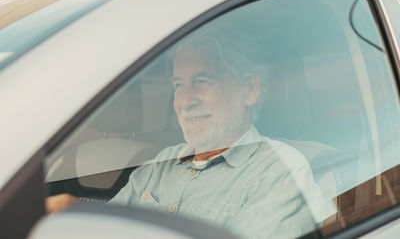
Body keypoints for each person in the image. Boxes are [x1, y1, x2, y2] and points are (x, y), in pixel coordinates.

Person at [46, 34, 333, 238]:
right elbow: (107, 230)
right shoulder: (163, 162)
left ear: (249, 89)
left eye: (202, 81)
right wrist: (73, 212)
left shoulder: (278, 170)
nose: (185, 100)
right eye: (178, 85)